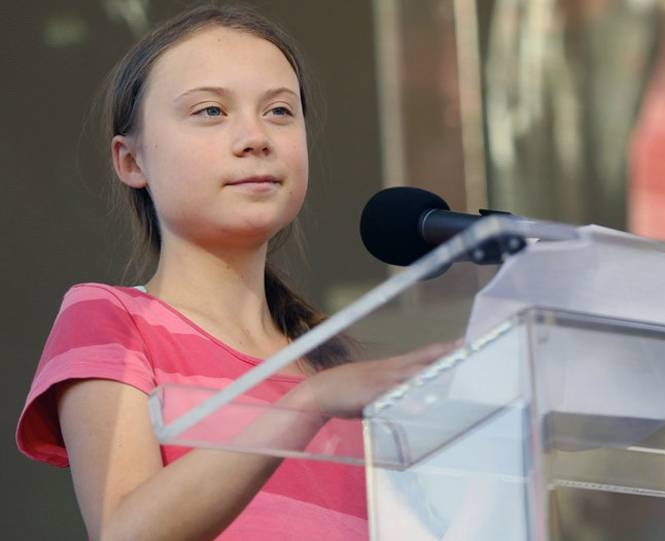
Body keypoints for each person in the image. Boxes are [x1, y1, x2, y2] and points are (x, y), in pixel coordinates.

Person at [15, 5, 455, 540]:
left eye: (279, 112)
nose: (255, 137)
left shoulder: (329, 360)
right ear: (131, 161)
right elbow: (125, 532)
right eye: (209, 111)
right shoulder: (111, 317)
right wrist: (306, 404)